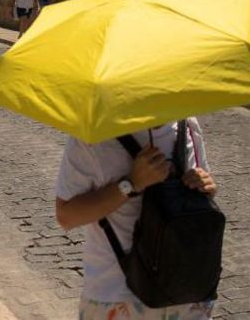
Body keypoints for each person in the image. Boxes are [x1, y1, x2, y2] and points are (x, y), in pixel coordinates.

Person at [54, 119, 218, 320]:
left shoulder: (188, 126)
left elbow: (200, 199)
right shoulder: (92, 138)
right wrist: (131, 184)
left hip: (187, 294)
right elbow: (66, 215)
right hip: (118, 298)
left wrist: (205, 188)